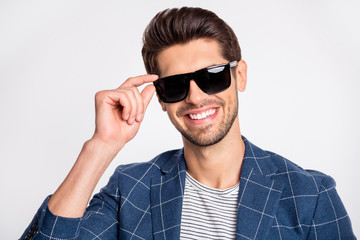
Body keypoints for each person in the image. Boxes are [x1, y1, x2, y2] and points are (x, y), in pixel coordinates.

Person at [21, 7, 355, 240]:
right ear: (161, 98)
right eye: (177, 85)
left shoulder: (310, 196)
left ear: (239, 76)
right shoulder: (130, 189)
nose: (195, 98)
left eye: (211, 77)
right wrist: (100, 147)